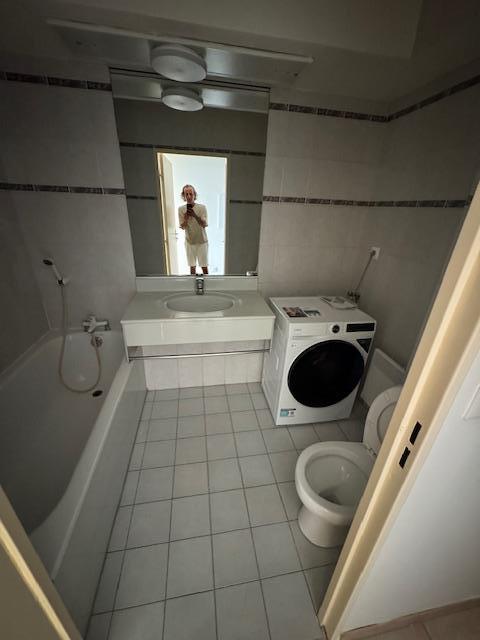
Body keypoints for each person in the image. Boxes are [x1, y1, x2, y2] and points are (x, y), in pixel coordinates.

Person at [178, 184, 209, 275]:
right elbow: (183, 227)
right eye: (186, 194)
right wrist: (186, 218)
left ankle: (208, 284)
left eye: (191, 194)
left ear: (194, 195)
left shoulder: (202, 208)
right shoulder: (181, 209)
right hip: (189, 242)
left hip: (202, 241)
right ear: (183, 196)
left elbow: (204, 224)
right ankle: (192, 284)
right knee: (192, 267)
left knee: (204, 267)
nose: (189, 196)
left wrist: (195, 215)